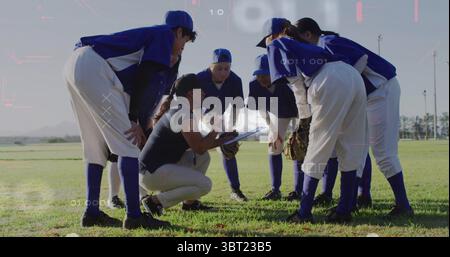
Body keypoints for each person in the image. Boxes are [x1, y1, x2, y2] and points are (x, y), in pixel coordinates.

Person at [63, 10, 196, 229]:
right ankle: (134, 216)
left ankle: (92, 212)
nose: (183, 46)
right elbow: (147, 77)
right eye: (185, 40)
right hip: (95, 67)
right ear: (179, 32)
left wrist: (141, 122)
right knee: (128, 144)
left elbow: (145, 88)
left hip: (76, 64)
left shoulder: (155, 43)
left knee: (96, 149)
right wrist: (135, 120)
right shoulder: (165, 35)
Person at [295, 17, 413, 218]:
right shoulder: (323, 46)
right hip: (367, 96)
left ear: (308, 34)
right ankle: (352, 201)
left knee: (383, 152)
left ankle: (403, 205)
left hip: (381, 90)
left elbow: (360, 61)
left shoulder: (327, 42)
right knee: (355, 148)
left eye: (299, 40)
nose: (299, 46)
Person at [257, 18, 367, 223]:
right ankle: (344, 209)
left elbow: (298, 87)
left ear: (274, 35)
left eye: (266, 39)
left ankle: (304, 212)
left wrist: (304, 122)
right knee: (350, 146)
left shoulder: (277, 44)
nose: (266, 44)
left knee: (317, 148)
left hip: (328, 80)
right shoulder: (308, 42)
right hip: (352, 77)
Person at [139, 74, 236, 215]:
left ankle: (189, 203)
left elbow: (201, 145)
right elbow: (200, 147)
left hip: (153, 170)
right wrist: (216, 128)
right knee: (205, 185)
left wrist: (225, 140)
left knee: (203, 158)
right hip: (151, 174)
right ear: (191, 93)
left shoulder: (181, 110)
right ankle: (155, 201)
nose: (204, 94)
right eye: (201, 91)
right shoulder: (183, 113)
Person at [107, 57, 181, 209]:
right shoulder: (146, 67)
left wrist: (154, 119)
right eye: (172, 53)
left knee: (142, 157)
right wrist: (136, 121)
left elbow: (165, 97)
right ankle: (113, 197)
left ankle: (143, 195)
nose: (174, 57)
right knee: (119, 154)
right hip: (126, 114)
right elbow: (132, 94)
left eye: (179, 53)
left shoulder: (169, 74)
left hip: (148, 118)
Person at [196, 49, 248, 202]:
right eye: (219, 68)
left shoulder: (235, 80)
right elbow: (195, 107)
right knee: (194, 150)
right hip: (199, 116)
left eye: (227, 68)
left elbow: (236, 107)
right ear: (211, 66)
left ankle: (235, 190)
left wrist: (229, 131)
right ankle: (189, 193)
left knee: (227, 146)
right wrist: (210, 122)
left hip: (220, 117)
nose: (223, 72)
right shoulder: (200, 78)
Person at [247, 54, 300, 200]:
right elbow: (262, 110)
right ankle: (275, 189)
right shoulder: (254, 85)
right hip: (277, 113)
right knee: (273, 145)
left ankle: (299, 191)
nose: (262, 78)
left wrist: (299, 132)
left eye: (266, 74)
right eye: (259, 75)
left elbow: (301, 108)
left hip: (299, 112)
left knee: (298, 148)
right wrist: (271, 128)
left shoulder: (287, 82)